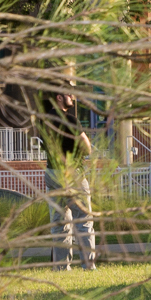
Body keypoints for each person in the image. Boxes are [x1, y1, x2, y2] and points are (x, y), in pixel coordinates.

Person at [42, 88, 95, 270]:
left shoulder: (44, 121)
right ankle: (88, 265)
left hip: (52, 173)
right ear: (59, 97)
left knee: (59, 223)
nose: (72, 96)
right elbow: (87, 148)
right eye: (68, 94)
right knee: (83, 220)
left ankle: (61, 267)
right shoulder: (70, 120)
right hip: (72, 174)